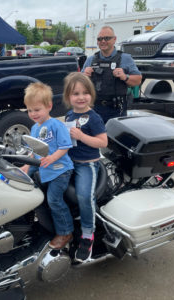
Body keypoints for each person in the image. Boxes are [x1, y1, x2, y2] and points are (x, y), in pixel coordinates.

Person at [21, 82, 75, 250]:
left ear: (49, 106)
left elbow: (65, 147)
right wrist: (26, 166)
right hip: (43, 166)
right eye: (30, 110)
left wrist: (52, 158)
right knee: (22, 184)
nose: (33, 114)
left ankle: (65, 232)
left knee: (54, 199)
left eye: (37, 110)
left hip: (60, 169)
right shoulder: (34, 128)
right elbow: (34, 150)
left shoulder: (56, 125)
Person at [63, 72, 108, 262]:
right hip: (69, 161)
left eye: (85, 93)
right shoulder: (69, 115)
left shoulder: (94, 117)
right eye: (75, 94)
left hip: (86, 165)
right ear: (68, 97)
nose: (81, 97)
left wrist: (82, 137)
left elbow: (102, 142)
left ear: (91, 94)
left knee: (84, 195)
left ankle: (88, 233)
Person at [82, 25, 142, 123]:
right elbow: (78, 84)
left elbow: (138, 80)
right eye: (100, 39)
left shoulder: (125, 58)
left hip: (117, 110)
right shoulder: (91, 60)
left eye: (107, 38)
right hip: (94, 109)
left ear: (114, 39)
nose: (103, 41)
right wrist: (84, 76)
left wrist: (125, 77)